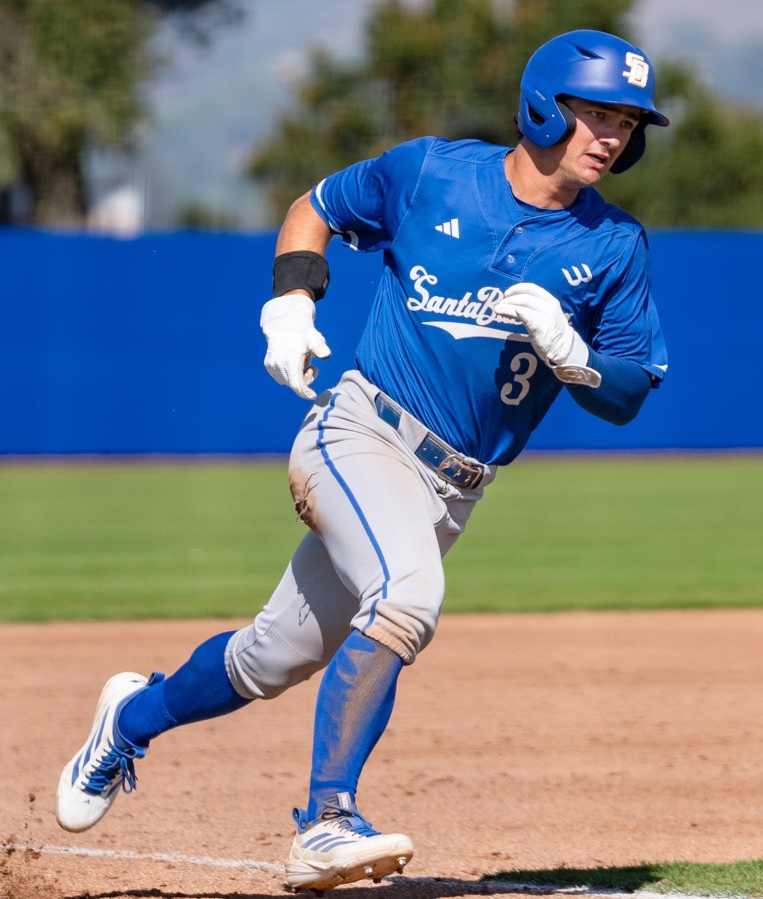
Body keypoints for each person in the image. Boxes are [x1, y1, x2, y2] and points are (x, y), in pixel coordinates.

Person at [55, 29, 669, 894]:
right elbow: (316, 204)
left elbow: (634, 385)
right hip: (362, 431)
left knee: (268, 660)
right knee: (407, 595)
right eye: (596, 111)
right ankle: (327, 819)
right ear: (542, 104)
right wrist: (291, 302)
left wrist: (579, 359)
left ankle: (129, 718)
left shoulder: (615, 246)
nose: (613, 134)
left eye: (629, 120)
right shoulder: (430, 174)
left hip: (454, 487)